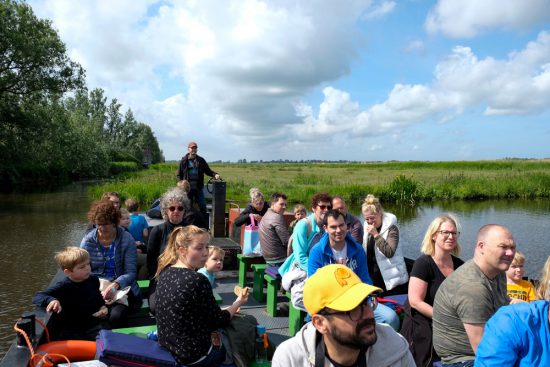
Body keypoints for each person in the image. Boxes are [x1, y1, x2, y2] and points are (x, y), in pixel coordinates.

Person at [272, 264, 415, 366]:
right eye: (352, 309)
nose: (368, 315)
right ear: (320, 323)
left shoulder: (395, 347)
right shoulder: (291, 359)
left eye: (365, 302)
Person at [155, 226, 248, 367]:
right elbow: (219, 320)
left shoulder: (165, 272)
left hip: (168, 348)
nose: (205, 253)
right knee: (242, 329)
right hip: (194, 356)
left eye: (206, 247)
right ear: (182, 250)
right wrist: (237, 303)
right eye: (199, 248)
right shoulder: (197, 279)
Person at [432, 224, 516, 366]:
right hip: (464, 359)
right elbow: (485, 351)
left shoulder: (498, 271)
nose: (510, 253)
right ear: (481, 246)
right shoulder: (472, 287)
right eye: (503, 247)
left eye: (512, 247)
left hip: (490, 341)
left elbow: (502, 310)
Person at [308, 209, 401, 331]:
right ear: (325, 228)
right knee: (343, 326)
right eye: (333, 227)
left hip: (357, 300)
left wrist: (371, 296)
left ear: (346, 226)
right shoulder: (317, 252)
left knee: (391, 318)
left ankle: (375, 348)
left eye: (341, 225)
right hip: (331, 303)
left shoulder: (357, 249)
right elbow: (314, 286)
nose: (338, 230)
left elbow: (364, 278)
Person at [400, 213, 465, 367]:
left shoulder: (460, 266)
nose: (451, 236)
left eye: (454, 233)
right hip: (424, 320)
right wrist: (445, 319)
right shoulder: (423, 264)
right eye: (445, 232)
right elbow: (415, 301)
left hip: (451, 321)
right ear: (434, 235)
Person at [475, 257, 550, 366]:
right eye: (514, 267)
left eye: (521, 266)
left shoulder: (527, 285)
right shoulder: (510, 321)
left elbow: (533, 300)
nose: (518, 270)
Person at [80, 199, 141, 328]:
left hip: (121, 288)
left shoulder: (126, 239)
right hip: (96, 287)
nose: (102, 228)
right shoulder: (87, 241)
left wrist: (115, 285)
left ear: (114, 222)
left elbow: (130, 272)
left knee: (116, 317)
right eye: (99, 224)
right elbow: (83, 270)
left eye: (106, 224)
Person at [32, 247, 107, 341]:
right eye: (82, 267)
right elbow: (37, 296)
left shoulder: (93, 280)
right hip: (74, 328)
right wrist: (52, 300)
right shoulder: (64, 286)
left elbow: (98, 297)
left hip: (94, 323)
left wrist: (102, 306)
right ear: (68, 272)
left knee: (108, 341)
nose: (87, 268)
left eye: (88, 264)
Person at [278, 192, 332, 310]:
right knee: (301, 298)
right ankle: (321, 314)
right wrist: (317, 272)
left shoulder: (329, 225)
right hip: (302, 267)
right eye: (322, 207)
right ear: (313, 208)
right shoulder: (303, 226)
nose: (326, 210)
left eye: (329, 207)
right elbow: (300, 256)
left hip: (322, 267)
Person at [147, 187, 202, 279]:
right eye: (172, 208)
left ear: (184, 210)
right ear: (166, 211)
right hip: (162, 277)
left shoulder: (190, 231)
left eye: (180, 208)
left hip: (186, 277)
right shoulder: (157, 231)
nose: (176, 211)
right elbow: (151, 260)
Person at [361, 194, 408, 294]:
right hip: (373, 279)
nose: (370, 222)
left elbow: (389, 252)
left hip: (391, 281)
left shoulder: (392, 228)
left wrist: (376, 235)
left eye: (372, 218)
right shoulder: (366, 226)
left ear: (380, 213)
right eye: (367, 219)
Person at [176, 141, 220, 214]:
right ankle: (187, 223)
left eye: (195, 148)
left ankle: (204, 222)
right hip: (187, 189)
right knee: (186, 206)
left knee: (202, 205)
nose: (194, 149)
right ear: (188, 149)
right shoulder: (183, 161)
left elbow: (208, 171)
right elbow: (178, 175)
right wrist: (180, 184)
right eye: (192, 148)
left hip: (198, 188)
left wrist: (215, 175)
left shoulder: (201, 160)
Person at [258, 192, 290, 266]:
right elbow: (286, 241)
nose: (284, 207)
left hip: (268, 258)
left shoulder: (266, 215)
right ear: (273, 204)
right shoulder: (277, 217)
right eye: (281, 204)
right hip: (279, 259)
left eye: (285, 205)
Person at [120, 208, 148, 280]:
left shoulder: (125, 230)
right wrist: (135, 250)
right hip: (126, 256)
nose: (126, 220)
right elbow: (122, 246)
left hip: (129, 252)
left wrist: (135, 244)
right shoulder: (121, 231)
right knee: (148, 259)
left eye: (127, 218)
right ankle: (142, 286)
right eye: (123, 219)